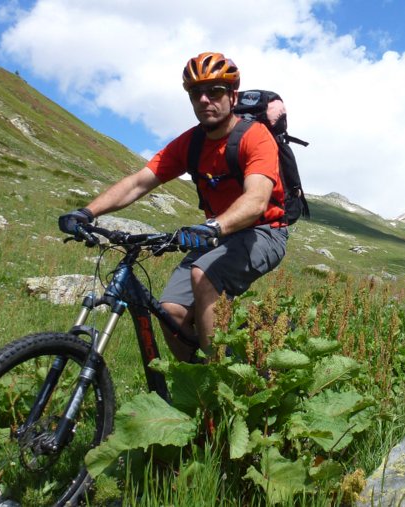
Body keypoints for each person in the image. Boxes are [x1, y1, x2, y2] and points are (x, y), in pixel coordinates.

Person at [58, 52, 288, 362]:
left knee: (203, 276)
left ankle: (220, 386)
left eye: (215, 91)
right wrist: (87, 213)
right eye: (196, 93)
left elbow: (257, 199)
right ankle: (195, 389)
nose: (205, 99)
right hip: (218, 234)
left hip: (263, 231)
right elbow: (139, 182)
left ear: (233, 96)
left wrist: (213, 227)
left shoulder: (255, 137)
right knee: (171, 312)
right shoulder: (190, 143)